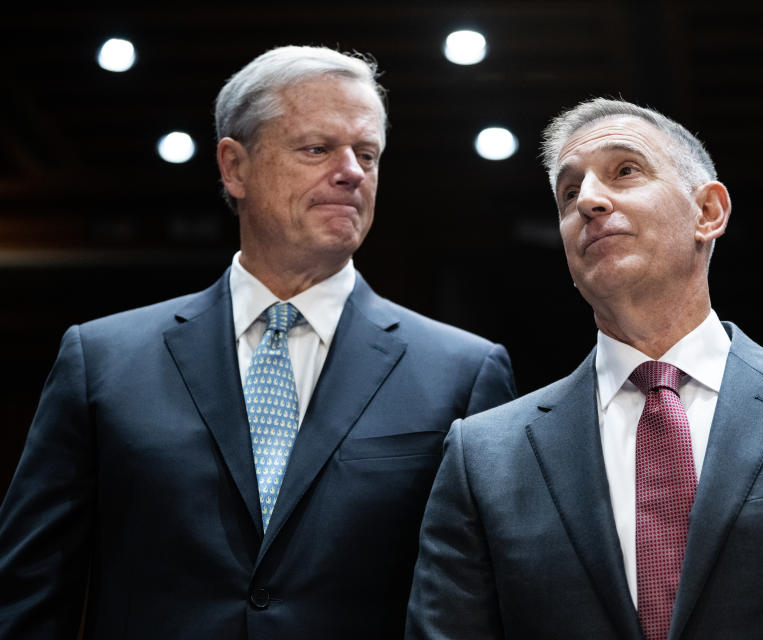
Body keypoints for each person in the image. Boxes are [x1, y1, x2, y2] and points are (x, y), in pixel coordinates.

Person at [0, 45, 516, 639]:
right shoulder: (102, 361)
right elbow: (31, 594)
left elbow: (484, 605)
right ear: (234, 167)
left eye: (367, 154)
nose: (351, 171)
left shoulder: (463, 372)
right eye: (317, 149)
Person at [405, 98, 763, 639]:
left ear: (708, 212)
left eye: (625, 171)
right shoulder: (484, 455)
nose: (589, 201)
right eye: (569, 192)